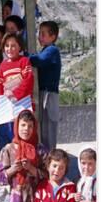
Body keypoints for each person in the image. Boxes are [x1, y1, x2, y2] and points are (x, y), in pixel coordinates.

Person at [0, 33, 34, 149]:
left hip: (23, 105)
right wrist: (3, 101)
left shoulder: (24, 61)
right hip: (9, 107)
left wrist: (15, 93)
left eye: (13, 45)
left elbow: (28, 81)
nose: (9, 49)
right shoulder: (2, 66)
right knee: (10, 134)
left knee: (24, 132)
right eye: (7, 46)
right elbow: (0, 87)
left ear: (19, 47)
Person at [29, 21, 61, 151]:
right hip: (44, 93)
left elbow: (39, 60)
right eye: (39, 33)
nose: (39, 36)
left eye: (43, 34)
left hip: (49, 94)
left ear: (52, 37)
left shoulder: (52, 50)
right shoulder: (45, 50)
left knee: (49, 127)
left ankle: (52, 155)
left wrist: (24, 56)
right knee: (43, 127)